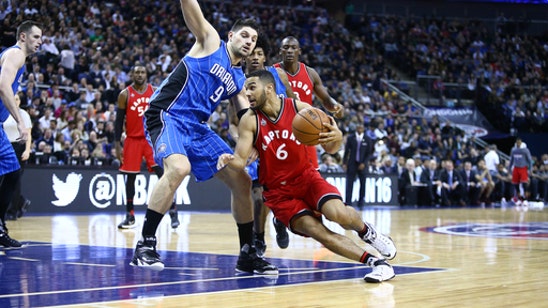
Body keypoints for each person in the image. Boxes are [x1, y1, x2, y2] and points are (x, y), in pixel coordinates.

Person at [131, 0, 278, 275]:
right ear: (231, 36)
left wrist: (258, 143)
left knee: (242, 180)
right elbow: (190, 6)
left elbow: (246, 118)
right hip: (167, 114)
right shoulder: (211, 41)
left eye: (254, 39)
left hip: (197, 127)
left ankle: (247, 254)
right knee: (179, 167)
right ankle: (145, 245)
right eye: (244, 35)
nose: (249, 42)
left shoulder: (238, 79)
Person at [217, 70, 396, 283]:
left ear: (269, 88)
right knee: (317, 231)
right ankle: (377, 263)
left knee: (337, 214)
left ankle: (368, 233)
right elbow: (239, 159)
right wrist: (228, 160)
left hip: (307, 179)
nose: (247, 93)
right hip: (279, 193)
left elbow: (331, 147)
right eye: (246, 89)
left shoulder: (299, 109)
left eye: (251, 87)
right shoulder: (250, 119)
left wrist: (337, 136)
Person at [237, 35, 296, 256]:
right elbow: (234, 121)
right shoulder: (239, 83)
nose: (255, 57)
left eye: (259, 53)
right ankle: (258, 238)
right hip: (256, 144)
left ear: (265, 57)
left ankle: (279, 221)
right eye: (251, 54)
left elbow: (293, 104)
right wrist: (244, 140)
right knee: (259, 194)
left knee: (278, 194)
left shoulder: (278, 75)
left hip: (281, 143)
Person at [114, 64, 179, 230]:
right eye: (137, 72)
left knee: (164, 175)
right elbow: (118, 122)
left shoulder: (155, 91)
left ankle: (173, 212)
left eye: (142, 72)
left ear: (146, 74)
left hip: (151, 139)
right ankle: (130, 216)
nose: (140, 75)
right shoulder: (125, 94)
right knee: (130, 179)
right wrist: (117, 145)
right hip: (132, 140)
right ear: (132, 75)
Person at [0, 20, 42, 248]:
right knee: (13, 172)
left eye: (42, 38)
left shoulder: (15, 57)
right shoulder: (16, 54)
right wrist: (20, 123)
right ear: (23, 36)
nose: (40, 42)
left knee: (12, 171)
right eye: (36, 37)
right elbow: (3, 86)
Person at [274, 36, 343, 169]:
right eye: (286, 47)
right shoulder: (271, 72)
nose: (289, 51)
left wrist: (336, 107)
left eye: (293, 48)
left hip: (306, 130)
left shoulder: (310, 73)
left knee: (311, 178)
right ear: (280, 51)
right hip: (281, 131)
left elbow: (326, 100)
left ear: (299, 51)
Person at [3, 93, 32, 220]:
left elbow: (29, 134)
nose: (15, 101)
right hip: (5, 145)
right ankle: (21, 202)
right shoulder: (4, 112)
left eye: (17, 99)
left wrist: (27, 150)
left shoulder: (23, 114)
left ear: (20, 101)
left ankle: (13, 211)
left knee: (15, 180)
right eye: (13, 98)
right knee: (5, 179)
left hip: (19, 146)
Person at [342, 123, 373, 209]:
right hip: (352, 163)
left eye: (361, 128)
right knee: (349, 183)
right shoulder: (351, 138)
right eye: (358, 127)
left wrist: (364, 163)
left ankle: (361, 203)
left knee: (363, 184)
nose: (359, 129)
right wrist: (344, 162)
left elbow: (369, 153)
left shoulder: (368, 139)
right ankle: (348, 202)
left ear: (363, 129)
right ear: (356, 128)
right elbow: (347, 151)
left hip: (363, 164)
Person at [509, 137, 532, 210]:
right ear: (516, 142)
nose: (518, 144)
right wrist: (509, 169)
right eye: (517, 142)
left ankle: (525, 199)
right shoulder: (513, 150)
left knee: (524, 183)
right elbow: (511, 160)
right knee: (516, 184)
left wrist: (530, 169)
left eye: (519, 142)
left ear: (521, 142)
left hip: (523, 168)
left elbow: (529, 160)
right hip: (516, 168)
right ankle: (519, 199)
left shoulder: (525, 150)